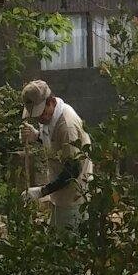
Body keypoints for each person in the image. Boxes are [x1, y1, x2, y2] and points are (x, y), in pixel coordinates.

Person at [20, 80, 93, 228]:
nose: (39, 119)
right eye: (36, 116)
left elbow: (73, 170)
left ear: (51, 101)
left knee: (68, 245)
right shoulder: (48, 117)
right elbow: (55, 144)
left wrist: (42, 191)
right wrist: (36, 136)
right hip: (59, 196)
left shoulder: (67, 126)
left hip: (74, 198)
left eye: (41, 114)